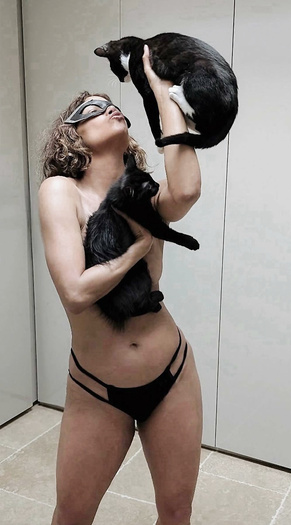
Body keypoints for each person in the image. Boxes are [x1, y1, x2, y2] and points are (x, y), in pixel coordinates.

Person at [38, 45, 203, 525]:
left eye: (114, 105)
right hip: (96, 386)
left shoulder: (143, 190)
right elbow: (75, 293)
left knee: (176, 512)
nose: (109, 108)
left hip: (171, 371)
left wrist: (162, 92)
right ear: (71, 134)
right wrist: (136, 250)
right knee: (72, 514)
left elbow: (187, 190)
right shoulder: (61, 191)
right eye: (92, 108)